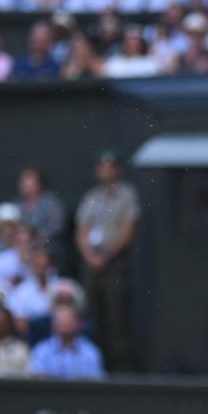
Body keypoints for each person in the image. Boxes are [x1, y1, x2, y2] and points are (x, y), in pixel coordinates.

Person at [75, 150, 139, 373]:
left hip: (114, 263)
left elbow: (128, 231)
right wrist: (90, 256)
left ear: (118, 170)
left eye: (110, 166)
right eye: (102, 166)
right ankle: (92, 367)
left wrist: (106, 256)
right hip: (92, 263)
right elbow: (81, 230)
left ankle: (119, 370)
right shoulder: (92, 197)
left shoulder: (126, 195)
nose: (105, 171)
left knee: (116, 318)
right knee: (91, 314)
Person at [28, 303, 104, 380]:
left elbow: (95, 383)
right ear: (53, 324)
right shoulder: (42, 350)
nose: (64, 322)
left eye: (68, 319)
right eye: (60, 319)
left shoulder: (90, 351)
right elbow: (38, 380)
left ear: (78, 323)